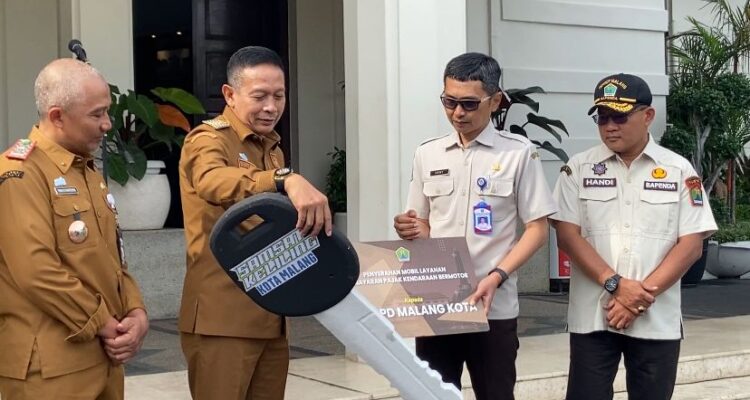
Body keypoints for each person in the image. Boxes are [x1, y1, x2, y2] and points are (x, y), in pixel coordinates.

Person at [393, 52, 557, 400]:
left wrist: (497, 276)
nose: (458, 113)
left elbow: (538, 229)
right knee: (434, 395)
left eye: (469, 104)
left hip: (492, 308)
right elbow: (421, 223)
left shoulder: (518, 153)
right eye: (449, 102)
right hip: (440, 303)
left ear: (495, 101)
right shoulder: (428, 153)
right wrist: (408, 227)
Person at [550, 73, 718, 400]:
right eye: (602, 118)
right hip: (593, 316)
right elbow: (568, 236)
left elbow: (691, 245)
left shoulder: (679, 170)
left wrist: (637, 298)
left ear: (648, 116)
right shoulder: (578, 169)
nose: (610, 126)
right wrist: (616, 284)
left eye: (620, 117)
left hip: (656, 318)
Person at [178, 46, 331, 400]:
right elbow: (212, 181)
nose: (271, 107)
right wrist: (282, 179)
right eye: (259, 96)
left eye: (279, 96)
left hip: (271, 313)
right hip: (223, 318)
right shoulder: (208, 139)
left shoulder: (271, 147)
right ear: (230, 95)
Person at [0, 58, 148, 399]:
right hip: (51, 368)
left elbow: (114, 258)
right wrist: (102, 322)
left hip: (103, 357)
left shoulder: (86, 171)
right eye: (97, 114)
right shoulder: (20, 173)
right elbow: (36, 270)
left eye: (107, 111)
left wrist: (136, 312)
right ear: (57, 116)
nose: (107, 124)